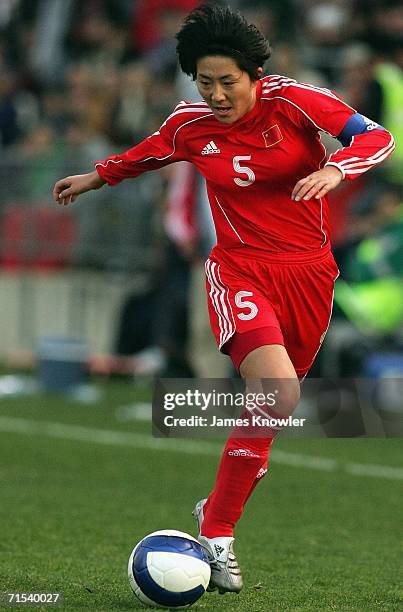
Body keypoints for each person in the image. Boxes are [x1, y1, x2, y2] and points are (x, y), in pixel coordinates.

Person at [52, 3, 395, 595]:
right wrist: (97, 176)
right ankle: (220, 531)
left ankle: (215, 508)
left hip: (310, 274)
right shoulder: (190, 125)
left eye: (226, 81)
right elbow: (151, 152)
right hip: (239, 270)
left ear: (253, 74)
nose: (215, 93)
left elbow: (377, 137)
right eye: (204, 81)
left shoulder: (294, 102)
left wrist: (338, 169)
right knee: (277, 390)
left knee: (271, 415)